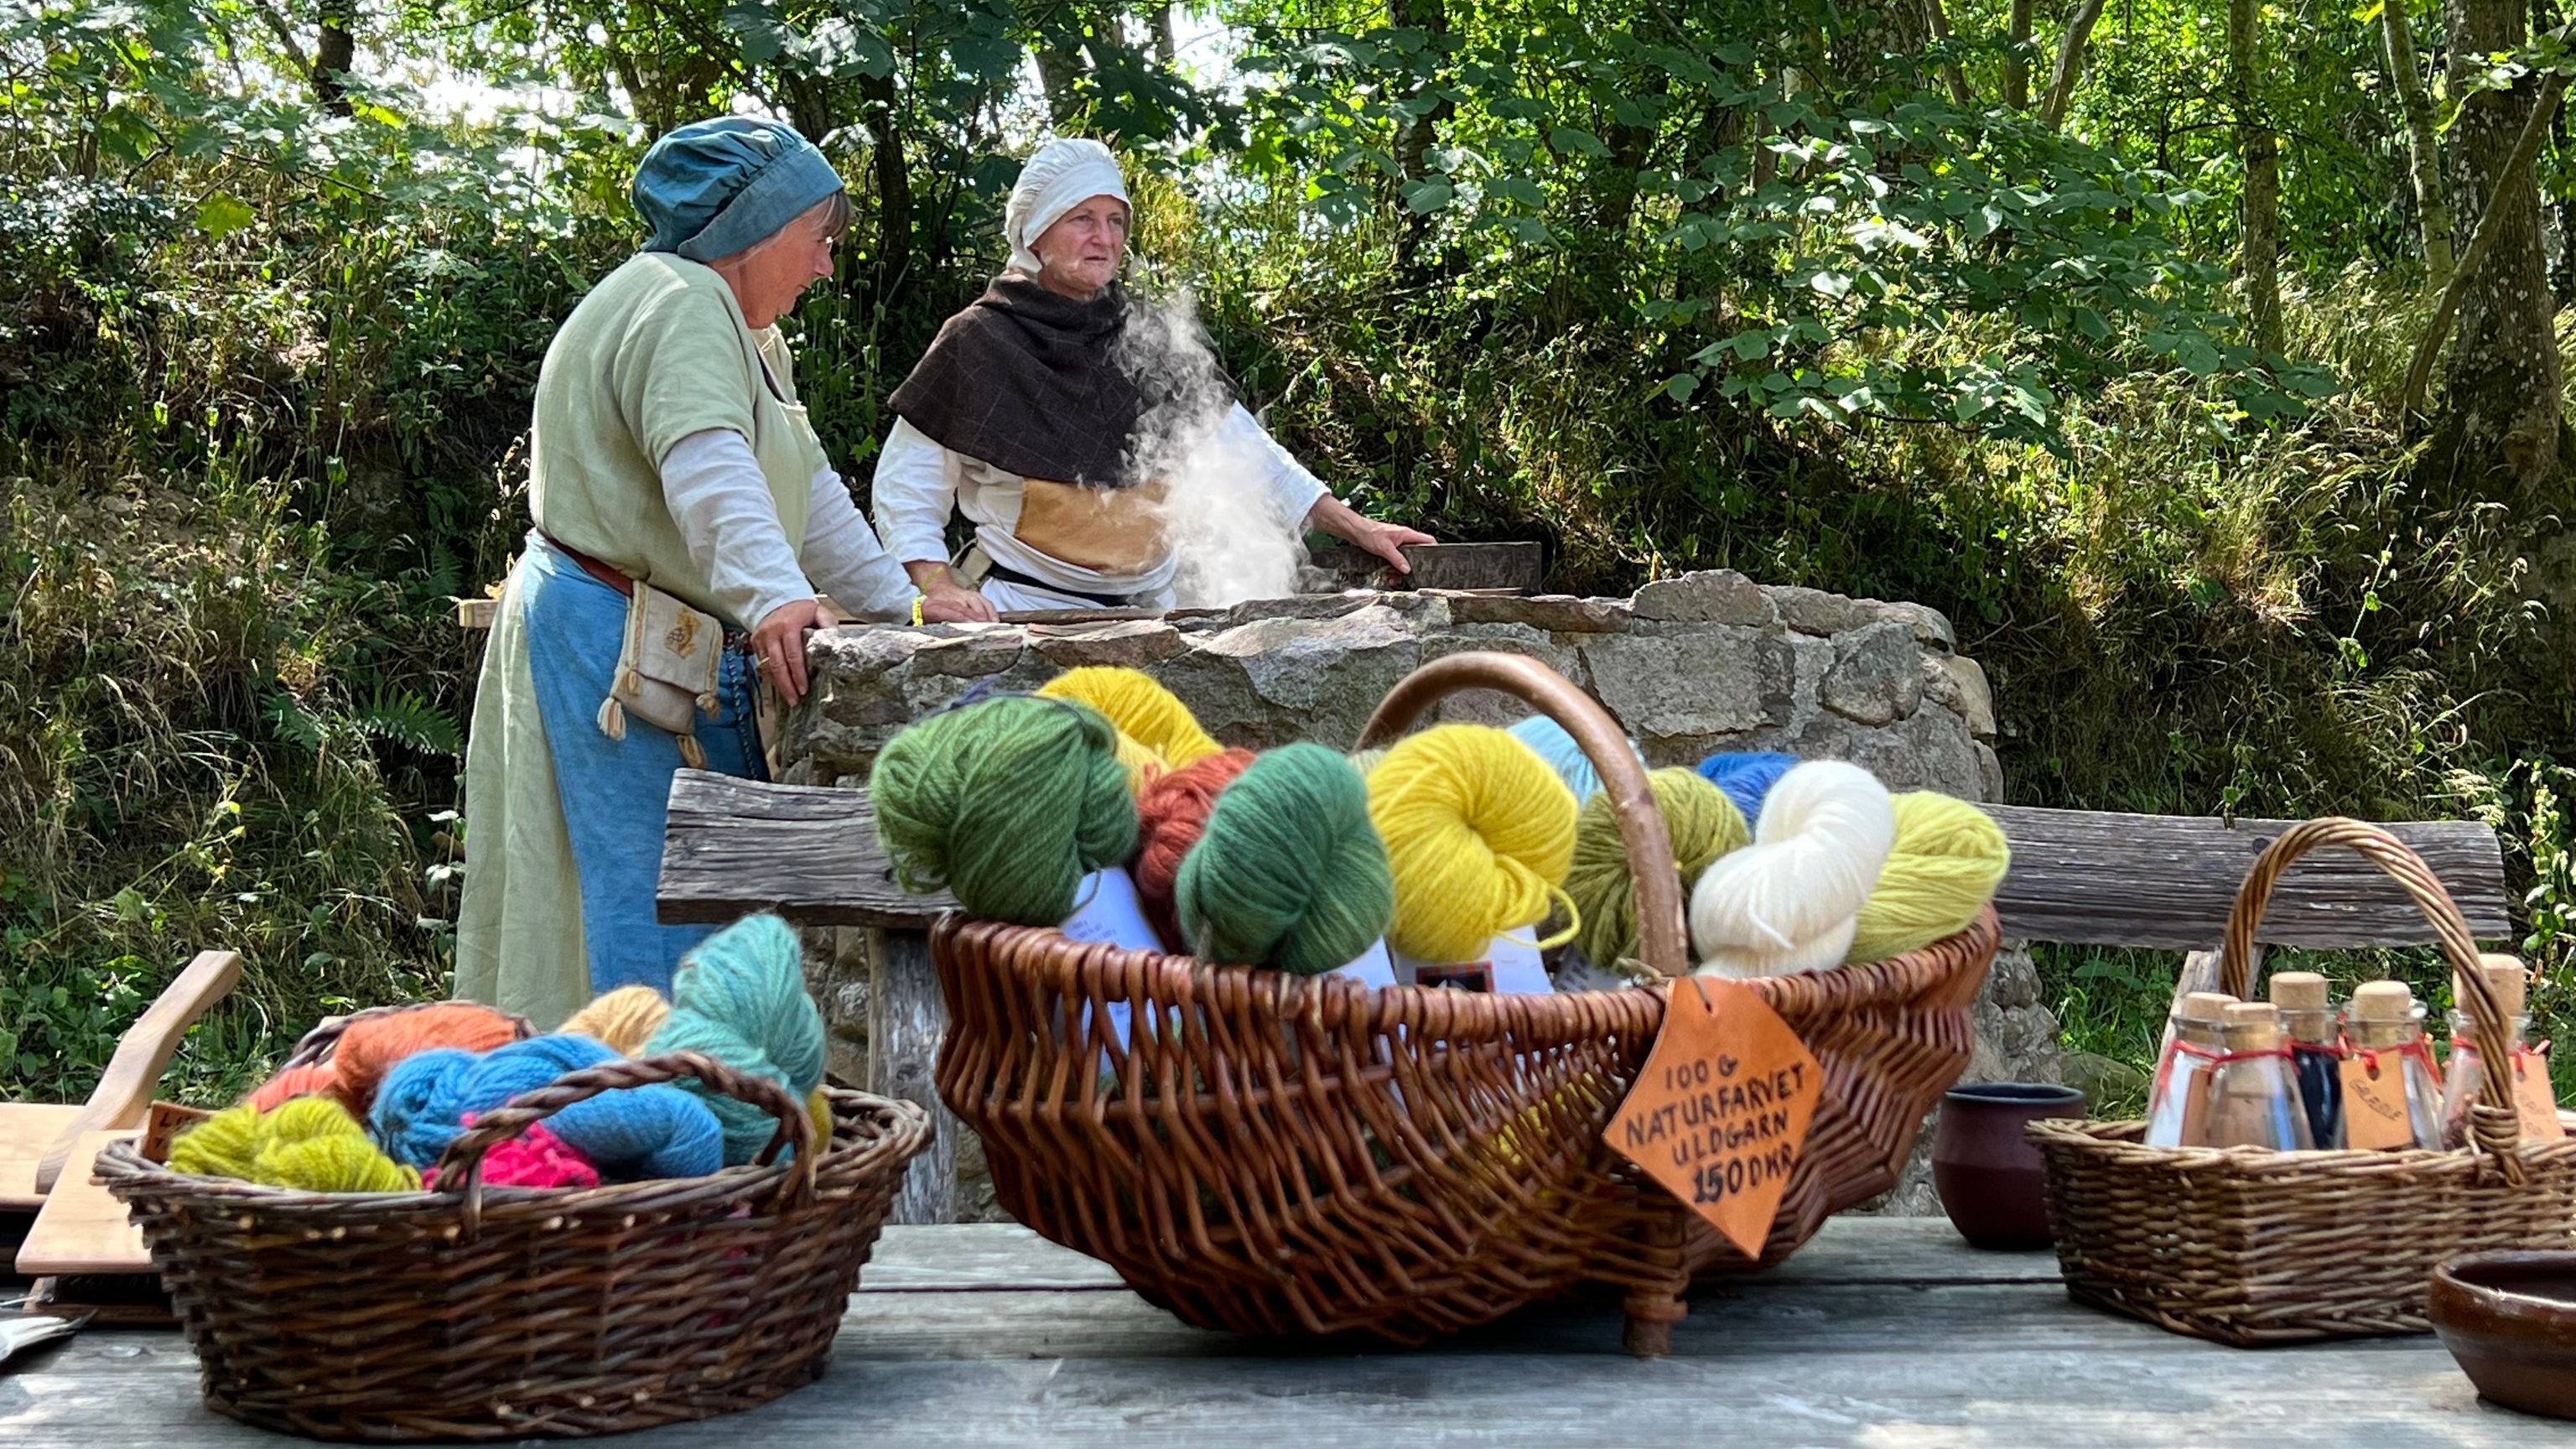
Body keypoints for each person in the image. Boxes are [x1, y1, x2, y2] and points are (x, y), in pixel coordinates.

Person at [455, 117, 975, 1026]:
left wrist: (909, 604)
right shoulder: (678, 298)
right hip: (605, 650)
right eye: (818, 239)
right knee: (641, 909)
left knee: (683, 914)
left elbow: (806, 493)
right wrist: (772, 595)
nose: (824, 265)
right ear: (759, 228)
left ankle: (679, 1108)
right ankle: (638, 1121)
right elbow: (705, 462)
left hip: (651, 642)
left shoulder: (743, 331)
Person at [873, 138, 1434, 616]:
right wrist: (936, 584)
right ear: (1035, 233)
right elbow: (909, 486)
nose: (1105, 237)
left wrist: (1360, 527)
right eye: (1082, 219)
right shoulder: (978, 340)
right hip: (1022, 607)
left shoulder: (1150, 338)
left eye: (1115, 220)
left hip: (1155, 611)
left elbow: (1247, 455)